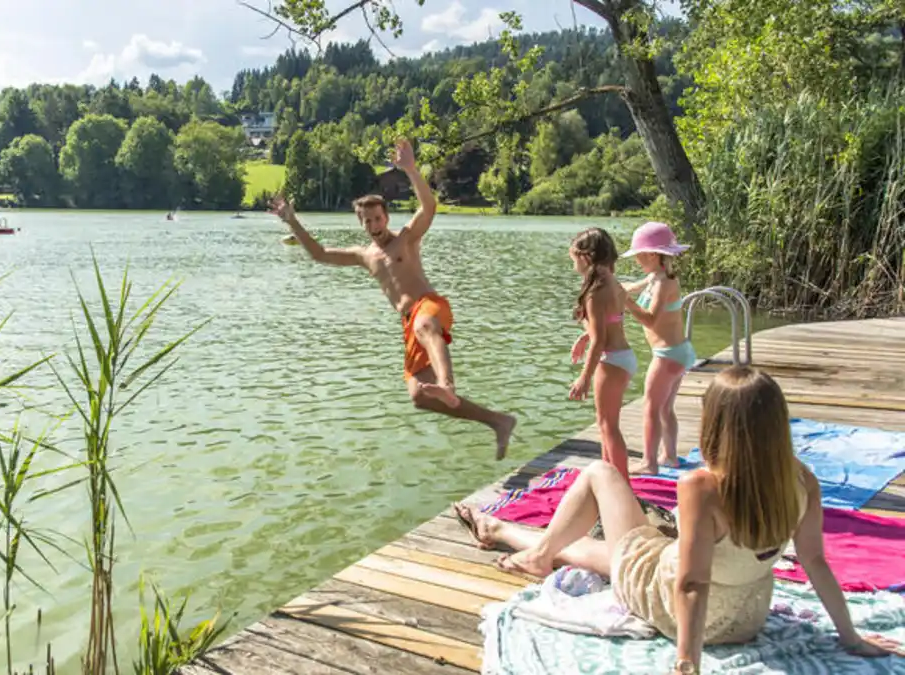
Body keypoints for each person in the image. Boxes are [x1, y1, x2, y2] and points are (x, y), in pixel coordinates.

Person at [454, 366, 901, 673]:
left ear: (716, 425)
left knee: (599, 474)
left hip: (678, 607)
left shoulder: (703, 487)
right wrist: (850, 637)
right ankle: (507, 533)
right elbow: (815, 561)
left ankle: (537, 551)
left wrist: (687, 663)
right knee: (616, 552)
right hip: (748, 615)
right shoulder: (800, 479)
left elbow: (690, 583)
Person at [270, 138, 517, 459]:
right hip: (409, 323)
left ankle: (447, 385)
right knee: (419, 396)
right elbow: (319, 254)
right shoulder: (364, 255)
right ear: (360, 223)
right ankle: (498, 421)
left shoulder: (407, 239)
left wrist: (411, 170)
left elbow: (429, 208)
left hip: (429, 307)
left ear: (386, 217)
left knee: (426, 327)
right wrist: (292, 220)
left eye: (378, 218)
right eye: (367, 220)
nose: (374, 225)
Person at [622, 222, 695, 475]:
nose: (636, 260)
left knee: (650, 408)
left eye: (639, 255)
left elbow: (651, 320)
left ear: (653, 255)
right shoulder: (656, 276)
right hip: (678, 351)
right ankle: (670, 457)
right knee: (665, 408)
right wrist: (615, 286)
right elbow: (634, 286)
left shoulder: (664, 284)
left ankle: (649, 462)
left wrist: (627, 302)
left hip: (667, 355)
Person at [568, 228, 635, 479]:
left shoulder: (595, 291)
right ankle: (611, 479)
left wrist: (584, 377)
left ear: (586, 257)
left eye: (574, 258)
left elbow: (600, 340)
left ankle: (622, 485)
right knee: (605, 423)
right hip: (624, 357)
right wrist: (585, 336)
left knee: (608, 426)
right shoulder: (613, 282)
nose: (573, 265)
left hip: (612, 361)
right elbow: (612, 322)